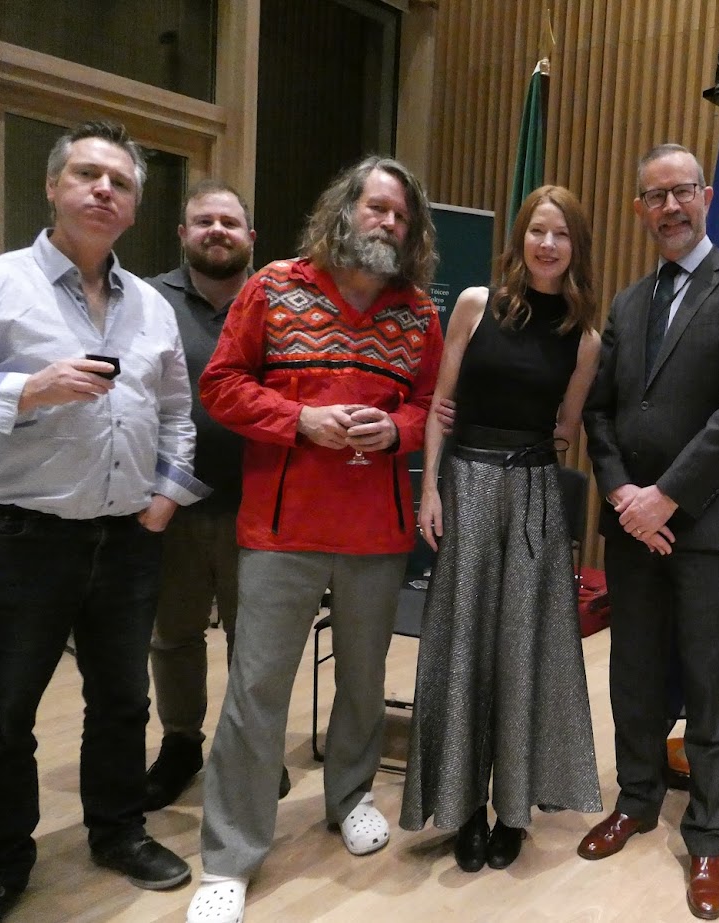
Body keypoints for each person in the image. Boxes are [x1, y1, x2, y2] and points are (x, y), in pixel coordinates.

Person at [185, 156, 443, 923]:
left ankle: (352, 794)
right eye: (376, 207)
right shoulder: (273, 287)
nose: (387, 223)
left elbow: (432, 405)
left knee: (364, 681)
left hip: (376, 535)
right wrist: (301, 421)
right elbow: (222, 385)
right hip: (280, 529)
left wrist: (396, 429)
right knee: (256, 690)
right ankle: (230, 854)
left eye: (400, 215)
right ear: (344, 208)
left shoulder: (419, 315)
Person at [0, 120, 205, 919]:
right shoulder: (7, 283)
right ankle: (7, 851)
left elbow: (178, 413)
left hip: (128, 539)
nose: (104, 190)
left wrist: (165, 495)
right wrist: (28, 392)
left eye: (120, 183)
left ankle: (118, 829)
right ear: (53, 186)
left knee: (122, 699)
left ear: (134, 207)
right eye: (87, 175)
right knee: (7, 708)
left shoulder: (150, 305)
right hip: (23, 537)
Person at [580, 143, 719, 921]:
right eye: (654, 196)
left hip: (704, 523)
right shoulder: (628, 303)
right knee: (631, 671)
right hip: (633, 525)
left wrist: (667, 496)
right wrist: (626, 492)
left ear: (705, 196)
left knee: (708, 684)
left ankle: (705, 837)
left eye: (682, 192)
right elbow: (599, 412)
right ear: (639, 209)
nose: (670, 207)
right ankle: (635, 798)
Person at [399, 184, 604, 872]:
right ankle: (463, 807)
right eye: (538, 231)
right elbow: (440, 404)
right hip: (466, 487)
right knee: (463, 646)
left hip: (535, 498)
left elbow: (566, 429)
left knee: (521, 652)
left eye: (562, 235)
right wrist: (430, 487)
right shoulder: (474, 305)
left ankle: (512, 808)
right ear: (518, 239)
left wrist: (532, 465)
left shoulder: (585, 338)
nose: (548, 245)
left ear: (576, 248)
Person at [143, 180, 290, 810]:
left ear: (251, 239)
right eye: (203, 221)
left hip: (258, 506)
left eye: (230, 222)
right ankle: (180, 742)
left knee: (251, 641)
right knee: (172, 635)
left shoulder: (279, 302)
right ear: (183, 234)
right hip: (168, 507)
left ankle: (253, 749)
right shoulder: (147, 301)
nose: (217, 231)